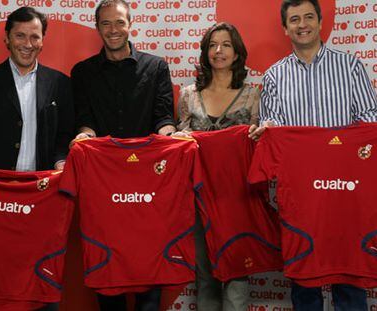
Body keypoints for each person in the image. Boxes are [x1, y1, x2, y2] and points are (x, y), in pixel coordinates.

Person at [249, 0, 377, 310]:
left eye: (308, 17)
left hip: (345, 191)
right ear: (285, 28)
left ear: (320, 22)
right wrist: (264, 133)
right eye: (294, 19)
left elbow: (371, 120)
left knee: (349, 276)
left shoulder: (350, 66)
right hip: (301, 194)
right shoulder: (274, 77)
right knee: (305, 279)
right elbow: (272, 127)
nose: (302, 24)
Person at [70, 0, 176, 310]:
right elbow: (85, 119)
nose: (113, 30)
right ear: (98, 28)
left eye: (119, 22)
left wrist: (171, 136)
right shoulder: (82, 72)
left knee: (149, 276)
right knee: (109, 276)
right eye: (106, 24)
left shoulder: (156, 67)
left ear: (130, 24)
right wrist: (85, 135)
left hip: (149, 186)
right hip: (103, 185)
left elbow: (163, 117)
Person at [177, 22, 260, 311]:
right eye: (212, 45)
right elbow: (180, 146)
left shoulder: (252, 95)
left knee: (238, 275)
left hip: (238, 198)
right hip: (199, 199)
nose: (218, 51)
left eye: (225, 45)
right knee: (205, 275)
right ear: (204, 52)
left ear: (237, 53)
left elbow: (259, 147)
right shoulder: (188, 95)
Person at [0, 7, 74, 172]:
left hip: (43, 185)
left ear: (42, 40)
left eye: (34, 37)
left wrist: (61, 161)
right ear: (7, 38)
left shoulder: (60, 82)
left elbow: (64, 135)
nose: (27, 44)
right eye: (20, 35)